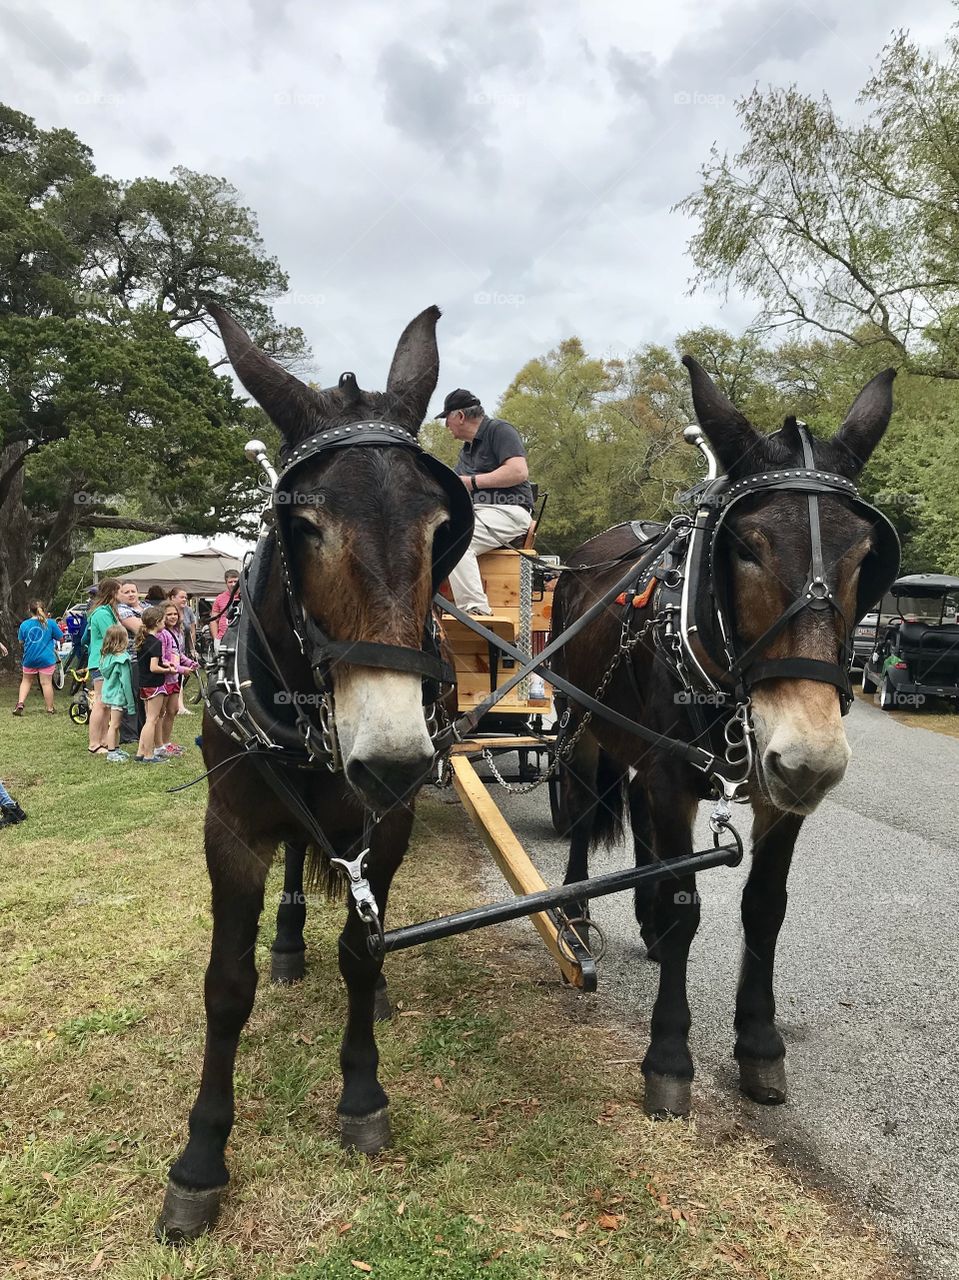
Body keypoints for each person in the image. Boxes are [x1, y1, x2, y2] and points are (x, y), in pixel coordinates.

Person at [434, 389, 534, 616]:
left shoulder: (500, 430)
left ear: (459, 416)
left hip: (509, 511)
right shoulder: (466, 451)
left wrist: (471, 482)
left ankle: (475, 612)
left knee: (457, 539)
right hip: (478, 513)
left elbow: (518, 472)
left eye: (446, 418)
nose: (446, 425)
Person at [135, 607, 178, 763]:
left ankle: (141, 751)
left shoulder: (143, 639)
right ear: (157, 622)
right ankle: (148, 754)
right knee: (152, 720)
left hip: (144, 684)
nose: (164, 623)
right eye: (162, 620)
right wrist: (168, 669)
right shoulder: (155, 642)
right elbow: (154, 667)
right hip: (155, 685)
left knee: (148, 719)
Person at [155, 600, 197, 756]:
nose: (172, 617)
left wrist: (190, 663)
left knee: (172, 710)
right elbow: (164, 659)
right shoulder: (162, 634)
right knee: (161, 712)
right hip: (164, 678)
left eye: (175, 614)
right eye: (169, 614)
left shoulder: (178, 631)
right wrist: (181, 669)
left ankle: (166, 742)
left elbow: (178, 654)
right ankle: (158, 745)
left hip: (175, 678)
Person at [85, 579, 122, 756]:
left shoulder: (110, 611)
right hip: (101, 662)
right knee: (100, 702)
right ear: (113, 593)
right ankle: (93, 743)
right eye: (121, 591)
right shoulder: (101, 613)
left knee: (106, 703)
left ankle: (103, 740)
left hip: (108, 661)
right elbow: (112, 636)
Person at [12, 600, 62, 716]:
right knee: (46, 683)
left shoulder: (24, 625)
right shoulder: (50, 623)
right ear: (44, 610)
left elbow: (21, 641)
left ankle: (20, 703)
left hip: (29, 658)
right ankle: (50, 709)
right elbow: (61, 639)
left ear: (29, 611)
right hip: (46, 659)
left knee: (26, 681)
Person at [98, 624, 136, 763]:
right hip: (119, 696)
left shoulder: (106, 657)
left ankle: (116, 747)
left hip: (108, 694)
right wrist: (131, 704)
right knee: (114, 724)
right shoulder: (123, 660)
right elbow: (126, 682)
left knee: (115, 723)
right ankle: (112, 751)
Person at [116, 581, 145, 742]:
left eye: (133, 591)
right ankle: (129, 735)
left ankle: (143, 730)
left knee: (144, 696)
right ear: (119, 595)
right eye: (126, 592)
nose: (131, 594)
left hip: (148, 657)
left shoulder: (145, 606)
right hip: (131, 658)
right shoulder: (122, 610)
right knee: (130, 696)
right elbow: (141, 629)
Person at [209, 570, 240, 647]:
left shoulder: (246, 596)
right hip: (223, 638)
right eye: (230, 582)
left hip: (240, 637)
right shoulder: (220, 598)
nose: (233, 584)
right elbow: (213, 621)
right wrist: (216, 639)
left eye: (235, 581)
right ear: (226, 583)